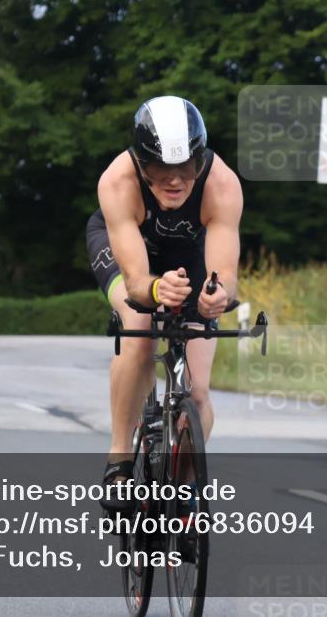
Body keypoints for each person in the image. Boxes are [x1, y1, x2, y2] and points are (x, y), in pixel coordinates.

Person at [86, 96, 243, 509]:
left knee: (201, 392)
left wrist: (216, 295)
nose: (174, 181)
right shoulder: (117, 182)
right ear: (140, 163)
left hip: (189, 253)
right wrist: (156, 291)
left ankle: (185, 490)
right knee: (139, 336)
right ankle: (119, 462)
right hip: (129, 249)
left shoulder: (222, 184)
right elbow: (138, 281)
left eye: (187, 168)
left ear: (200, 159)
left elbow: (225, 273)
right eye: (159, 169)